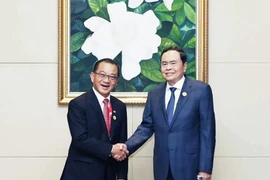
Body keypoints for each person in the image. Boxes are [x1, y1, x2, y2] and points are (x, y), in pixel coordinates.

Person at [123, 46, 216, 180]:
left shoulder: (200, 90)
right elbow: (146, 127)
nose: (168, 68)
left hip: (190, 166)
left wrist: (205, 169)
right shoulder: (154, 93)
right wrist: (126, 147)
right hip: (163, 167)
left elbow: (207, 132)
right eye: (164, 64)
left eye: (173, 63)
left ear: (184, 66)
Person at [60, 58, 129, 180]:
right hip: (81, 173)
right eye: (102, 75)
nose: (106, 80)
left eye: (112, 77)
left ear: (116, 81)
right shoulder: (78, 104)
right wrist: (111, 149)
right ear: (92, 76)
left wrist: (122, 176)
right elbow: (80, 139)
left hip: (109, 174)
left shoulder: (120, 106)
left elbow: (122, 144)